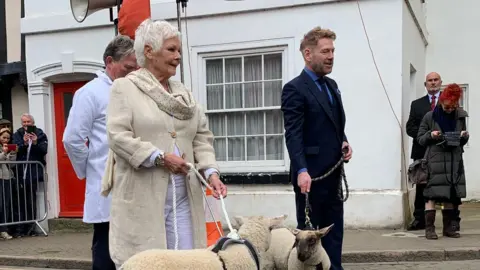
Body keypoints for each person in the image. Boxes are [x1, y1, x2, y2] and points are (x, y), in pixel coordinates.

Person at [105, 19, 227, 268]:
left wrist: (211, 172)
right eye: (171, 49)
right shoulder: (124, 88)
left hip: (184, 196)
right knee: (147, 263)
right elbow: (117, 136)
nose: (178, 56)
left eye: (179, 50)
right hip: (142, 197)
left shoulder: (184, 94)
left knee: (185, 262)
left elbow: (201, 136)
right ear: (149, 51)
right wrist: (159, 157)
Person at [62, 35, 137, 270]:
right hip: (108, 188)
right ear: (109, 61)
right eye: (128, 67)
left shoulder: (133, 90)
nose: (132, 72)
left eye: (136, 68)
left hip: (134, 185)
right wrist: (90, 170)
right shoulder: (90, 93)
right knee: (106, 252)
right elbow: (72, 139)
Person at [281, 26, 352, 270]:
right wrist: (301, 169)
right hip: (309, 178)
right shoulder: (294, 89)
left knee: (334, 234)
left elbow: (332, 123)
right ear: (308, 54)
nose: (331, 56)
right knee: (310, 241)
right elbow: (293, 134)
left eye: (332, 50)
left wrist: (342, 140)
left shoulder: (331, 85)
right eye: (325, 51)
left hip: (333, 176)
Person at [406, 72, 461, 231]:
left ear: (440, 82)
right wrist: (426, 136)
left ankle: (453, 221)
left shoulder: (450, 102)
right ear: (425, 84)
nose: (433, 82)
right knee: (423, 186)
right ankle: (420, 220)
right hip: (423, 151)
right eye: (430, 80)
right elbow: (410, 127)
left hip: (446, 151)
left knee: (450, 185)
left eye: (436, 80)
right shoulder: (417, 104)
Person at [417, 83, 468, 240]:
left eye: (452, 107)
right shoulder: (430, 116)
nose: (449, 110)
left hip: (454, 160)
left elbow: (462, 141)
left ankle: (448, 229)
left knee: (450, 195)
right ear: (441, 102)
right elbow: (420, 138)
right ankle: (430, 229)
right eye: (447, 107)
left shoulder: (460, 115)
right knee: (431, 195)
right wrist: (431, 135)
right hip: (435, 160)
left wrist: (464, 137)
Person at [11, 113, 48, 237]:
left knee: (30, 200)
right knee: (19, 201)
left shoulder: (40, 133)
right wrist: (24, 144)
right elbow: (14, 149)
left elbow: (44, 151)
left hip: (33, 172)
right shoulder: (17, 134)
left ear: (33, 122)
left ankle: (30, 227)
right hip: (20, 171)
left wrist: (36, 143)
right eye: (24, 122)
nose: (26, 125)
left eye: (28, 122)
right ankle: (19, 228)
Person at [0, 128, 16, 240]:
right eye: (3, 137)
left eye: (8, 138)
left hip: (7, 178)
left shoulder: (8, 148)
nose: (6, 140)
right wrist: (3, 153)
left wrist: (12, 154)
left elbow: (12, 165)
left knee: (6, 205)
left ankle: (4, 229)